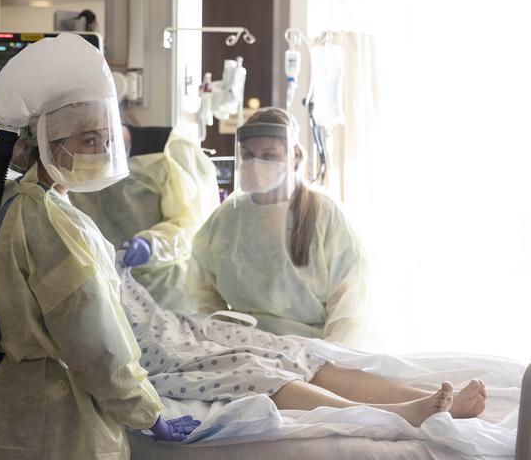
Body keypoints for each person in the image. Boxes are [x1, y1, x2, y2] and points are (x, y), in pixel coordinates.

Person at [0, 33, 200, 460]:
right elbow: (95, 343)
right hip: (55, 411)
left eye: (104, 141)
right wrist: (148, 414)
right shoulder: (50, 223)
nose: (100, 151)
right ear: (47, 141)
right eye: (87, 142)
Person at [119, 266, 486, 429]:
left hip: (174, 320)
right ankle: (396, 412)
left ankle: (423, 397)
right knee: (250, 369)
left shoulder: (85, 237)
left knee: (291, 352)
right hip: (144, 342)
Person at [190, 107, 370, 347]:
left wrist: (331, 357)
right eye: (248, 154)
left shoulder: (323, 214)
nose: (256, 164)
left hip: (312, 351)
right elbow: (204, 293)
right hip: (245, 349)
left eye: (269, 155)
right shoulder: (227, 218)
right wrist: (222, 338)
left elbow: (349, 304)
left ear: (293, 156)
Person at [69, 124, 220, 312]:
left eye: (96, 139)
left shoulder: (169, 149)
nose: (97, 151)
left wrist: (152, 244)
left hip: (164, 293)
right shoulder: (71, 158)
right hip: (102, 291)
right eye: (87, 143)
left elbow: (192, 224)